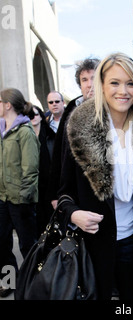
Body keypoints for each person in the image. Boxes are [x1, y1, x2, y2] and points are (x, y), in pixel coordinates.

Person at [57, 52, 133, 300]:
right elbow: (64, 192)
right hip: (91, 245)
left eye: (130, 83)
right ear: (101, 86)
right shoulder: (79, 127)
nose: (123, 91)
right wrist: (74, 214)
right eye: (114, 82)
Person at [0, 88, 39, 298]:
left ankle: (33, 286)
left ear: (7, 105)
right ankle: (9, 282)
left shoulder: (25, 131)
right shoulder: (1, 129)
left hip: (21, 200)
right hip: (2, 198)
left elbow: (31, 169)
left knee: (28, 246)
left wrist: (23, 199)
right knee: (1, 243)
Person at [47, 58, 100, 210]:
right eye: (84, 80)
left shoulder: (113, 111)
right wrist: (55, 195)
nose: (89, 84)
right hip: (75, 190)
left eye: (94, 78)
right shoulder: (71, 110)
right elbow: (59, 154)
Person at [28, 105, 56, 236]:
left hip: (49, 183)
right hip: (33, 185)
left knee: (51, 219)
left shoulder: (50, 135)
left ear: (41, 116)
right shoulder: (26, 136)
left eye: (35, 114)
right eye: (30, 115)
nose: (33, 118)